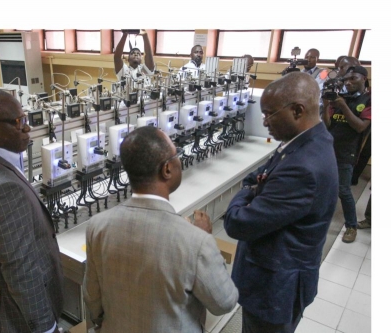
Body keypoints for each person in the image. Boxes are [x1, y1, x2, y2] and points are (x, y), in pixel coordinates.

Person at [84, 126, 238, 333]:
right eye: (177, 155)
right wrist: (203, 238)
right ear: (166, 169)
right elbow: (224, 302)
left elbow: (92, 298)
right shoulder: (195, 241)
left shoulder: (97, 226)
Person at [224, 72, 339, 333]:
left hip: (274, 290)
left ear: (297, 110)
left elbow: (238, 223)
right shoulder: (309, 141)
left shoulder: (304, 167)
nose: (264, 121)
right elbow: (260, 175)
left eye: (269, 114)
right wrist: (253, 188)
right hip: (278, 278)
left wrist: (244, 192)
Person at [0, 88, 64, 333]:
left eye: (25, 119)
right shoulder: (4, 190)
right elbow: (21, 270)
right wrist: (46, 328)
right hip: (18, 316)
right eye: (18, 122)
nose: (27, 128)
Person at [322, 65, 371, 243]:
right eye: (346, 80)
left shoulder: (369, 100)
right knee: (323, 187)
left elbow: (360, 127)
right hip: (328, 149)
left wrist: (343, 105)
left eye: (353, 79)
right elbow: (327, 124)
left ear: (364, 78)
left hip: (347, 152)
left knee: (343, 190)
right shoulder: (340, 97)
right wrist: (327, 105)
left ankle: (351, 226)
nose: (349, 82)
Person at [302, 48, 328, 113]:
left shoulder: (323, 72)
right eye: (306, 57)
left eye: (312, 57)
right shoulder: (300, 72)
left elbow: (317, 88)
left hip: (315, 106)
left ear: (317, 59)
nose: (308, 60)